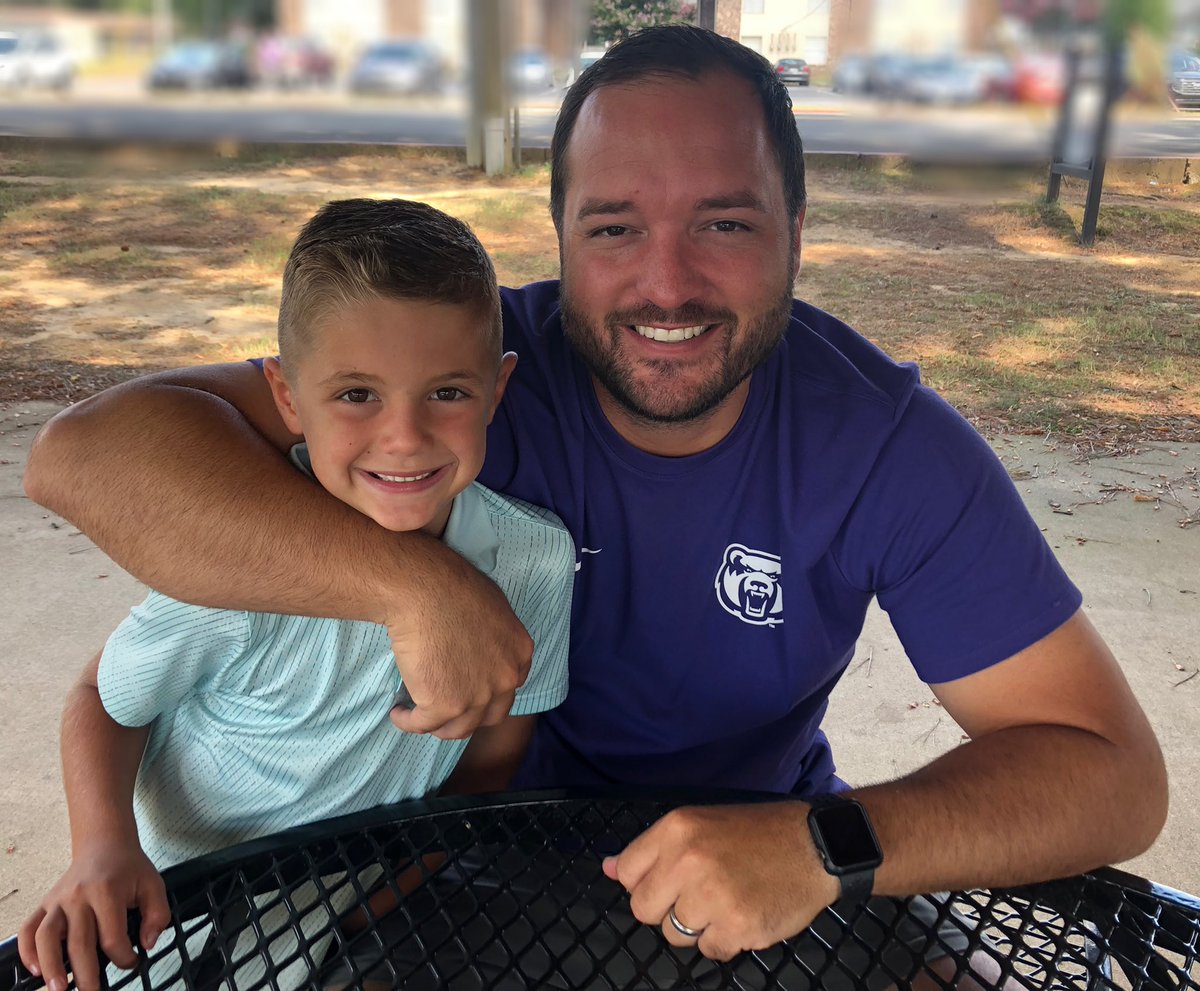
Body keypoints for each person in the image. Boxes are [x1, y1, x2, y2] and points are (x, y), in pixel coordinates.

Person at [23, 24, 1166, 988]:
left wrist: (832, 842)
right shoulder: (463, 377)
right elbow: (88, 457)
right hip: (458, 850)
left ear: (799, 234)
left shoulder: (884, 443)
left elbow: (1110, 771)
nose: (666, 285)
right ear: (562, 241)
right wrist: (408, 582)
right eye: (615, 228)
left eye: (724, 223)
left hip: (765, 844)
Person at [17, 198, 575, 991]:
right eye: (356, 395)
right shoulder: (241, 562)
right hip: (176, 898)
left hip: (363, 903)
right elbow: (104, 700)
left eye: (447, 392)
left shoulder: (537, 560)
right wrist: (103, 846)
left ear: (497, 388)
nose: (405, 436)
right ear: (285, 395)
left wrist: (366, 905)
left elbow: (491, 762)